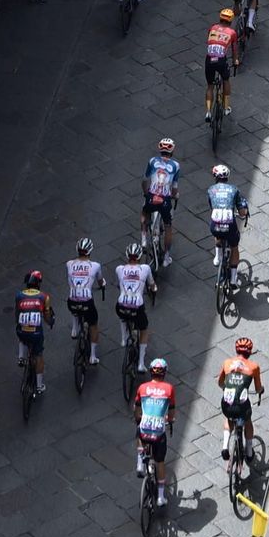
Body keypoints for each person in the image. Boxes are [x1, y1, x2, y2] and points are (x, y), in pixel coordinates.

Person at [133, 357, 176, 508]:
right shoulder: (169, 389)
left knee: (139, 429)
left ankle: (140, 462)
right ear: (164, 373)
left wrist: (138, 418)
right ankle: (161, 496)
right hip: (158, 433)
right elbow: (171, 413)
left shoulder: (142, 388)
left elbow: (137, 409)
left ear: (151, 372)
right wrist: (170, 420)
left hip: (145, 430)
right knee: (159, 462)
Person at [218, 336, 265, 461]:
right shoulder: (254, 367)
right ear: (249, 352)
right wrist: (261, 390)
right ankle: (249, 452)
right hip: (242, 407)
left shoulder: (227, 363)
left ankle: (224, 446)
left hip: (227, 405)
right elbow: (257, 388)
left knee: (229, 419)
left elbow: (220, 383)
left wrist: (226, 387)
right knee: (247, 422)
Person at [115, 241, 158, 371]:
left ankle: (123, 338)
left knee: (122, 314)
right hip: (137, 307)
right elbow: (152, 285)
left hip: (122, 305)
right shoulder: (145, 268)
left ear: (127, 256)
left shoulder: (119, 269)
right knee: (144, 330)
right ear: (139, 257)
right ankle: (140, 364)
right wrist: (154, 288)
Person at [65, 236, 104, 368]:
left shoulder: (69, 264)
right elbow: (100, 281)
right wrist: (102, 284)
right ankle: (93, 356)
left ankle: (75, 329)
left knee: (74, 303)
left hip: (72, 301)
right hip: (87, 302)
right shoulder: (95, 266)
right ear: (90, 251)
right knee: (93, 324)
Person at [15, 268, 53, 396]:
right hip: (36, 333)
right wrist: (50, 322)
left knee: (20, 334)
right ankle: (39, 385)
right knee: (39, 356)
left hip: (22, 331)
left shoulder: (19, 295)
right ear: (38, 283)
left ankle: (21, 357)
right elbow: (47, 316)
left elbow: (17, 313)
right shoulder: (43, 297)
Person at [142, 138, 180, 267]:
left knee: (145, 211)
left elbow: (145, 180)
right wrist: (176, 196)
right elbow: (174, 189)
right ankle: (166, 257)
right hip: (164, 200)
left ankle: (143, 238)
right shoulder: (175, 165)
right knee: (168, 226)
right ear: (172, 151)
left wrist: (146, 193)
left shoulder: (152, 161)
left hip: (152, 197)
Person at [208, 162, 248, 279]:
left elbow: (212, 207)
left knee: (217, 231)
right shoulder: (234, 190)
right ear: (227, 177)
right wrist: (244, 210)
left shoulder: (211, 190)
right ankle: (233, 279)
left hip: (215, 225)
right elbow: (241, 213)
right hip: (230, 226)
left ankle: (217, 257)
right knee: (234, 247)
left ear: (215, 177)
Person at [205, 2, 242, 113]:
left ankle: (208, 112)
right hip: (221, 60)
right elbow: (234, 49)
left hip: (209, 59)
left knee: (210, 86)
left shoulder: (212, 28)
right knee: (226, 80)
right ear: (230, 21)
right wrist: (235, 60)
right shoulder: (232, 32)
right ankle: (226, 107)